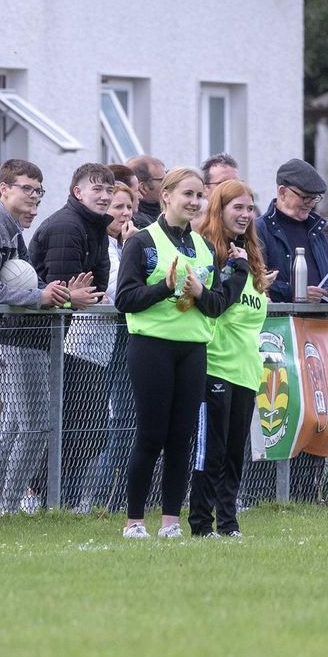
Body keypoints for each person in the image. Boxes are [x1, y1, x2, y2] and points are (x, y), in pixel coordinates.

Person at [115, 167, 244, 539]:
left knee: (181, 437)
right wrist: (166, 287)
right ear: (166, 195)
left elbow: (216, 306)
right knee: (151, 435)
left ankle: (171, 522)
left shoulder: (203, 247)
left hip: (193, 349)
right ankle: (135, 521)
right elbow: (125, 299)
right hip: (152, 347)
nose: (194, 201)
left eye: (199, 195)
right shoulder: (143, 242)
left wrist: (203, 291)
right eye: (187, 194)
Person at [0, 159, 72, 516]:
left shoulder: (13, 228)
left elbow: (30, 282)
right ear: (4, 189)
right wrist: (39, 298)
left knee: (15, 424)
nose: (34, 197)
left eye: (38, 190)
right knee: (32, 425)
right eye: (26, 189)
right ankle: (1, 507)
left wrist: (63, 294)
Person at [28, 163, 113, 508]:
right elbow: (62, 290)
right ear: (78, 192)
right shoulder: (67, 225)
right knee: (64, 426)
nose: (105, 196)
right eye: (98, 189)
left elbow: (97, 286)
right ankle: (42, 495)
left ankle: (59, 498)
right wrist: (76, 296)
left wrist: (83, 295)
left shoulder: (96, 228)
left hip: (77, 341)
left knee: (90, 430)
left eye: (109, 190)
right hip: (51, 340)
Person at [189, 179, 269, 537]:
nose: (245, 214)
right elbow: (212, 306)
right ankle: (201, 523)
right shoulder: (210, 253)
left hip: (247, 371)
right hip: (215, 366)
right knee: (212, 452)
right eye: (237, 207)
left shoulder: (249, 260)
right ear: (218, 210)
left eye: (250, 208)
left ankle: (229, 523)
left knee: (235, 454)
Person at [86, 182, 138, 511]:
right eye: (118, 207)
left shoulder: (126, 244)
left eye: (129, 207)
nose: (125, 213)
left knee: (128, 421)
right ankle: (99, 496)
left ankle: (115, 495)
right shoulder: (102, 245)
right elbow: (119, 291)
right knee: (110, 423)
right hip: (94, 346)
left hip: (125, 340)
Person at [256, 159, 328, 304]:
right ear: (282, 192)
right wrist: (297, 293)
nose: (311, 204)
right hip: (282, 324)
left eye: (315, 198)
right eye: (305, 198)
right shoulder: (259, 229)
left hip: (322, 324)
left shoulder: (317, 231)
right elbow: (255, 282)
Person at [126, 155, 165, 228]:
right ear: (143, 187)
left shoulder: (164, 211)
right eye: (162, 180)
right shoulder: (138, 224)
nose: (167, 183)